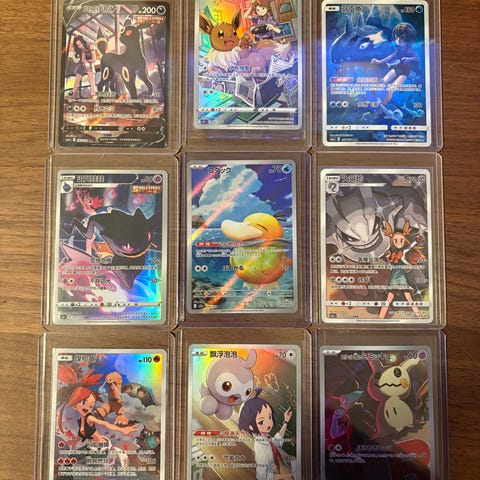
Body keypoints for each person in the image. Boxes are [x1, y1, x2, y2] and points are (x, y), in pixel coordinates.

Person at [239, 391, 295, 480]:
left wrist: (285, 422)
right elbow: (262, 477)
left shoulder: (264, 438)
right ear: (251, 426)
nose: (269, 423)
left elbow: (276, 442)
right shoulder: (261, 448)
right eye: (261, 422)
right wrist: (290, 475)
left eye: (269, 417)